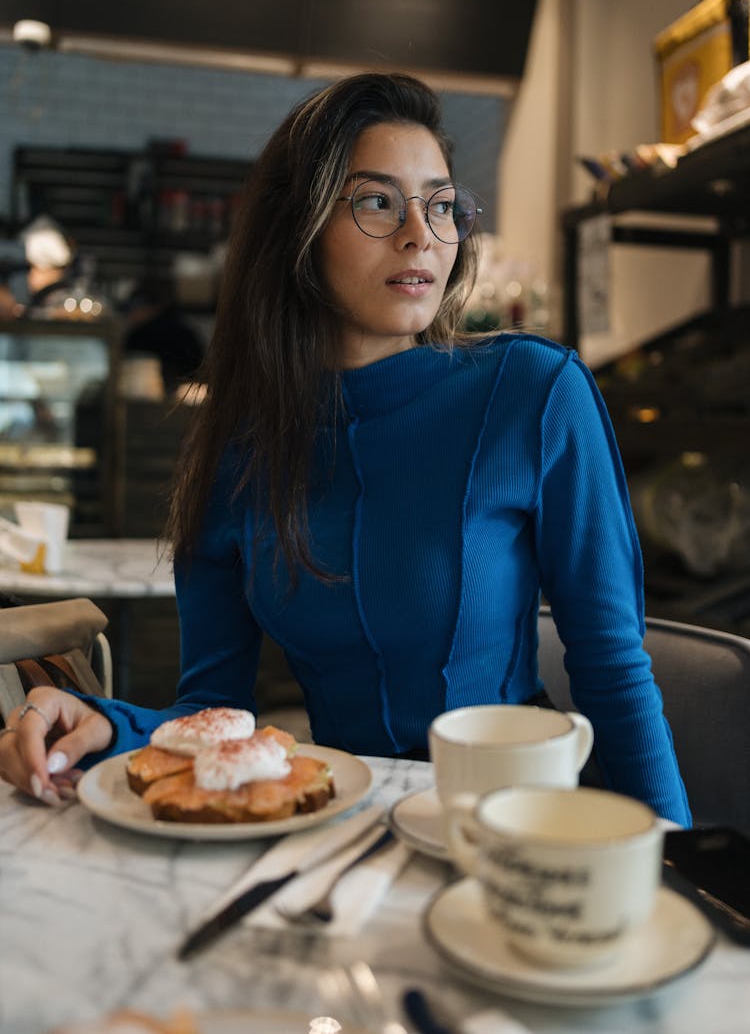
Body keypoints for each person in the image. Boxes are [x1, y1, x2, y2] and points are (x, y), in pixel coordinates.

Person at [0, 72, 691, 826]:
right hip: (347, 829)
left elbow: (613, 669)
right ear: (295, 233)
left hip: (523, 829)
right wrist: (105, 725)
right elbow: (214, 708)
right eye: (376, 201)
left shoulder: (532, 390)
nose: (420, 233)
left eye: (440, 204)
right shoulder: (238, 446)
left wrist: (670, 875)